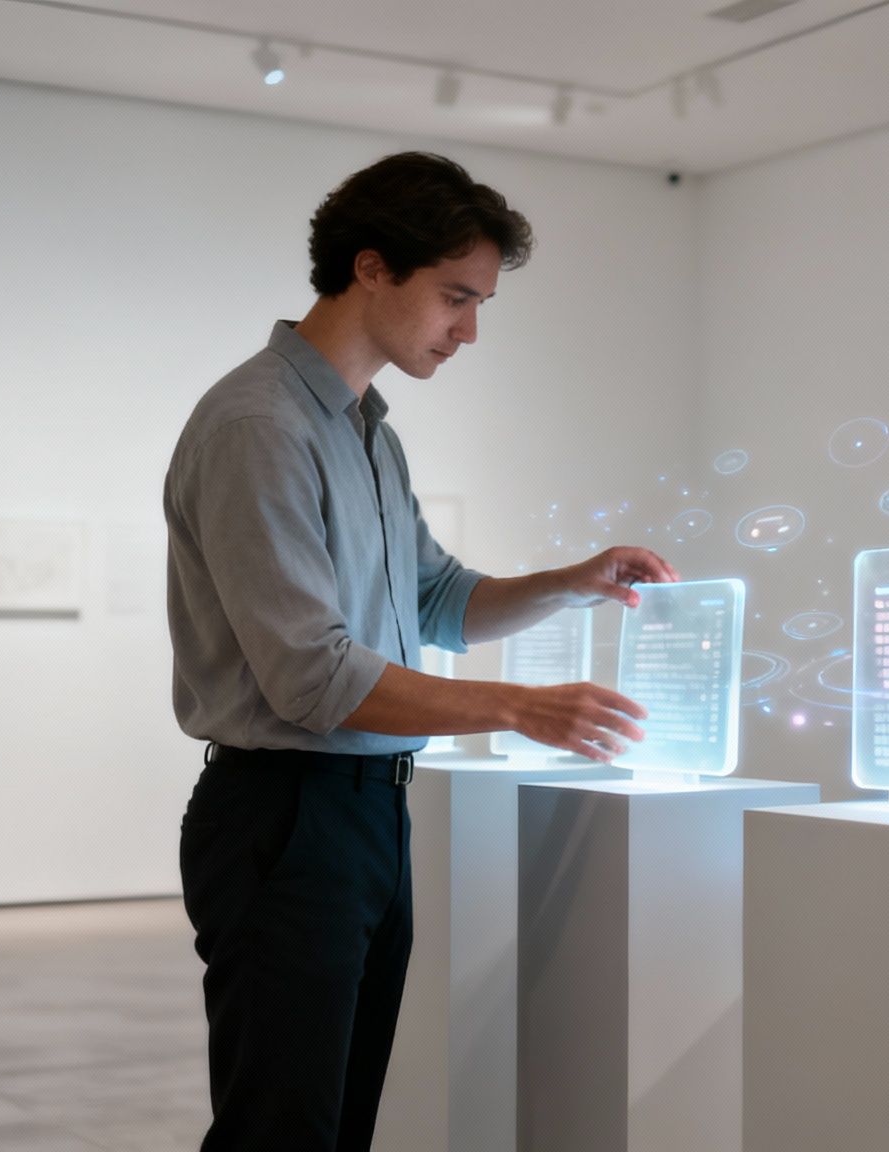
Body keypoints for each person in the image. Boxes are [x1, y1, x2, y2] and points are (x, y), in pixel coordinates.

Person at [163, 151, 678, 1151]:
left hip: (364, 812)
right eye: (455, 296)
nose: (469, 330)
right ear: (370, 267)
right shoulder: (258, 425)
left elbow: (439, 600)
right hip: (287, 816)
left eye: (478, 302)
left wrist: (573, 580)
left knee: (340, 1121)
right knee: (282, 1130)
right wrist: (520, 708)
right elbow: (312, 676)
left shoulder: (368, 431)